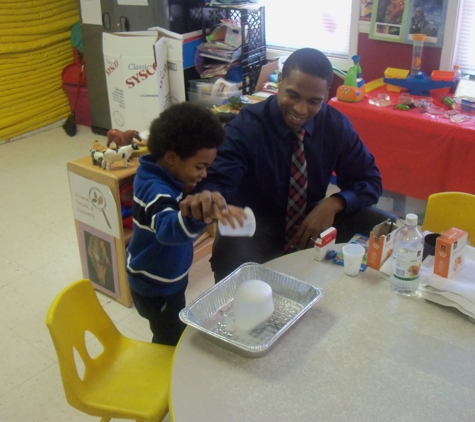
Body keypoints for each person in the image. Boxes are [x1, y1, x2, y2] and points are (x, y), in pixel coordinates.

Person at [180, 48, 397, 282]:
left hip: (312, 217)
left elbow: (370, 181)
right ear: (280, 81)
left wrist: (334, 203)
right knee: (233, 259)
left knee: (387, 227)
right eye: (293, 95)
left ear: (326, 95)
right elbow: (216, 181)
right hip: (256, 224)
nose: (301, 109)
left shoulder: (335, 126)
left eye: (314, 101)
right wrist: (210, 198)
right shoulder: (246, 127)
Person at [126, 102, 246, 346]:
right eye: (200, 167)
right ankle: (165, 375)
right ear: (172, 158)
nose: (203, 175)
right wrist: (199, 215)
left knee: (173, 327)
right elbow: (168, 229)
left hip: (168, 277)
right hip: (154, 285)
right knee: (169, 339)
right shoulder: (156, 190)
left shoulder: (161, 172)